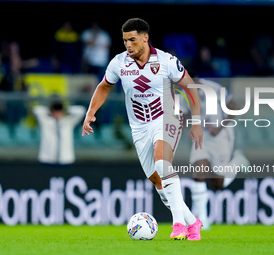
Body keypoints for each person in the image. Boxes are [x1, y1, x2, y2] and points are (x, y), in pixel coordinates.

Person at [82, 18, 204, 240]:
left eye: (132, 40)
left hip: (167, 118)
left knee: (162, 162)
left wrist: (196, 122)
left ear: (145, 38)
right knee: (158, 180)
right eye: (125, 40)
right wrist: (90, 113)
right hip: (139, 128)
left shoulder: (167, 61)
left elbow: (191, 87)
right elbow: (104, 87)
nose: (128, 45)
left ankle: (178, 226)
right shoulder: (119, 63)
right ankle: (192, 221)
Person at [181, 78, 250, 230]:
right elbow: (184, 115)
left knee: (218, 184)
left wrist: (219, 127)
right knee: (199, 173)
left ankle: (237, 161)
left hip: (220, 137)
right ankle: (202, 220)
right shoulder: (184, 94)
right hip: (201, 138)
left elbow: (235, 107)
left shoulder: (214, 88)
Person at [34, 101, 86, 165]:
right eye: (55, 112)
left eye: (59, 112)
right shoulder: (45, 121)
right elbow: (36, 110)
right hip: (47, 159)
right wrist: (50, 109)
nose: (57, 114)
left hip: (65, 159)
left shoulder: (68, 121)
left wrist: (66, 109)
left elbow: (81, 111)